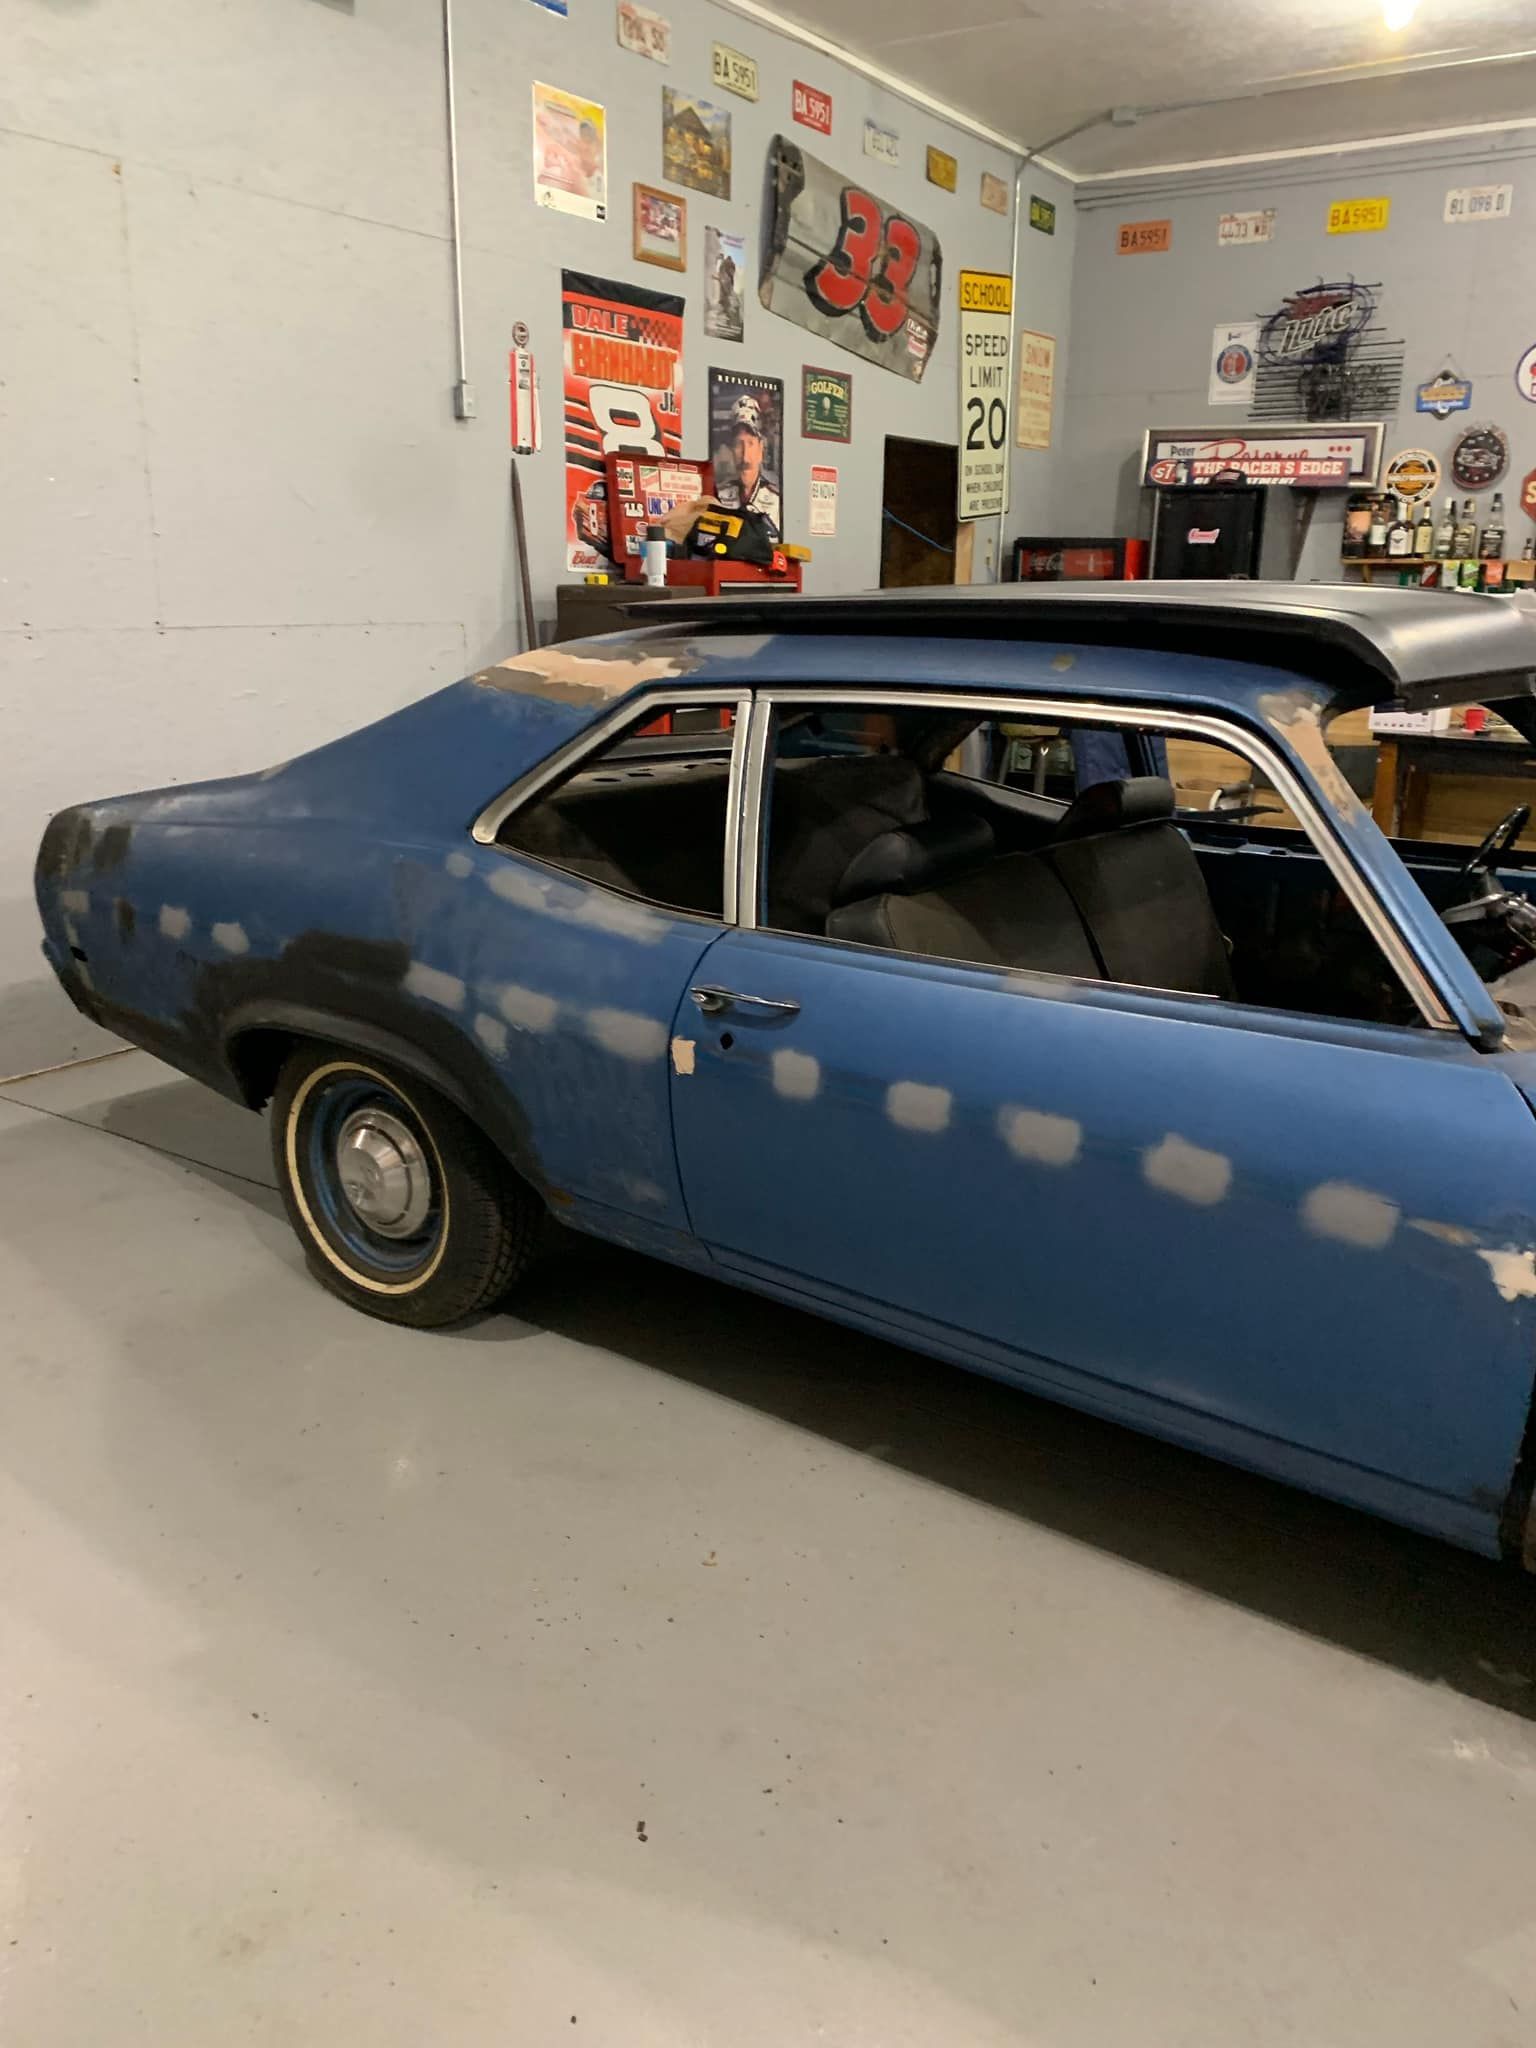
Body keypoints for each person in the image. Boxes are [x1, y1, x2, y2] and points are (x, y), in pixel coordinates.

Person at [716, 394, 781, 541]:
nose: (745, 456)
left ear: (761, 449)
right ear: (732, 449)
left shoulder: (776, 501)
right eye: (739, 444)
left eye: (751, 444)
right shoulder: (720, 497)